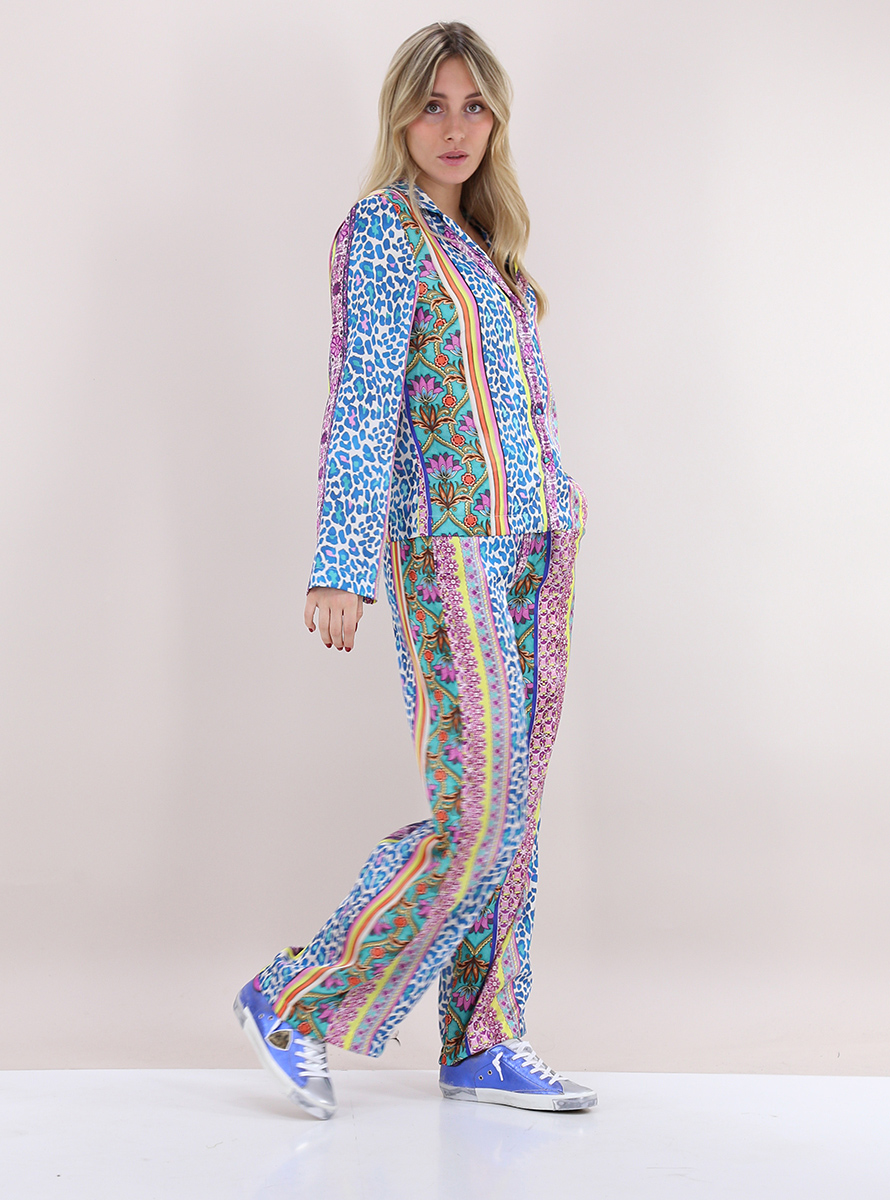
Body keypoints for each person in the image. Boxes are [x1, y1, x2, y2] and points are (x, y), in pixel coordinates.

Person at [234, 20, 594, 1120]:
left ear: (496, 120)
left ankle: (481, 1040)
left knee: (514, 816)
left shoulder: (489, 247)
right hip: (448, 549)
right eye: (432, 104)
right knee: (477, 810)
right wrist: (341, 562)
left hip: (537, 548)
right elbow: (362, 402)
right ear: (398, 116)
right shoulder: (384, 233)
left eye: (473, 105)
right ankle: (295, 998)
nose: (453, 127)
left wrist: (563, 504)